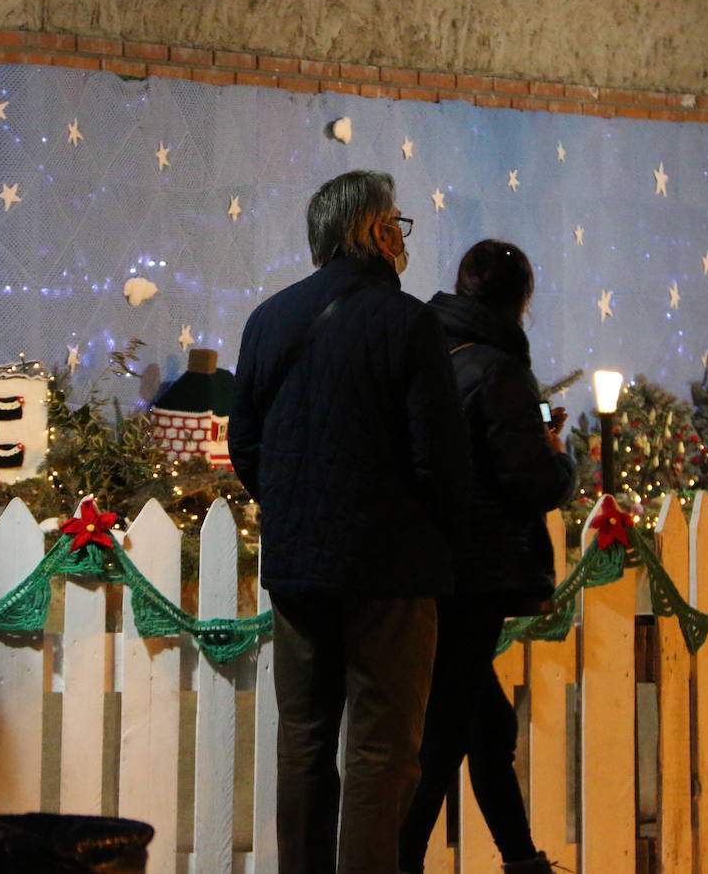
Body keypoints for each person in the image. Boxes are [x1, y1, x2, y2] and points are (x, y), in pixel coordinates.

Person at [229, 170, 470, 873]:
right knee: (381, 746)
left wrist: (297, 507)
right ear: (371, 230)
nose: (403, 236)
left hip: (299, 566)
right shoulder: (407, 322)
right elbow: (439, 458)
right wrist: (437, 539)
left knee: (302, 737)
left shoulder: (268, 319)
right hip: (389, 570)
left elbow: (246, 443)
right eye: (397, 221)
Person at [400, 239, 574, 874]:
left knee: (485, 723)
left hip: (428, 561)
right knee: (447, 730)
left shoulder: (424, 349)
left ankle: (522, 859)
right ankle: (401, 860)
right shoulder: (498, 370)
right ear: (520, 299)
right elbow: (527, 480)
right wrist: (558, 455)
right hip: (475, 570)